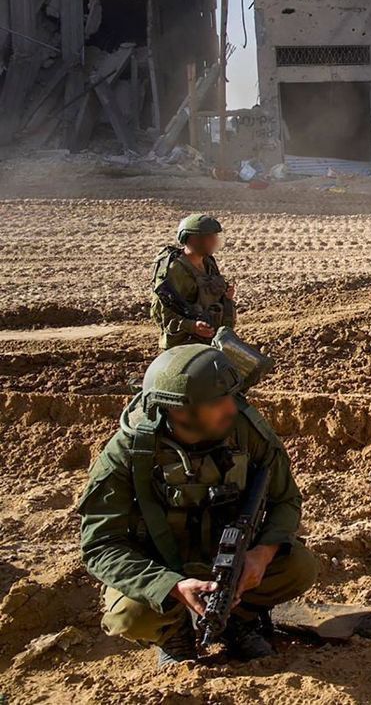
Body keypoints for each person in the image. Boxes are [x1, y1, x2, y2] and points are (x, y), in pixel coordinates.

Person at [78, 345, 317, 666]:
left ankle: (237, 619)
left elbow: (285, 500)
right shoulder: (128, 451)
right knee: (130, 615)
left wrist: (261, 554)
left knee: (299, 567)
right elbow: (100, 545)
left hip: (229, 559)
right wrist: (171, 586)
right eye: (218, 403)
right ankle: (173, 633)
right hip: (160, 566)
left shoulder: (244, 430)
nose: (231, 409)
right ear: (179, 410)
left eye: (231, 397)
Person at [150, 214, 235, 350]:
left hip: (209, 339)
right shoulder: (176, 270)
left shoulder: (208, 262)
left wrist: (227, 297)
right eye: (210, 238)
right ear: (194, 240)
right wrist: (193, 327)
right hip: (184, 344)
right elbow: (164, 314)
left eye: (215, 237)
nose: (215, 242)